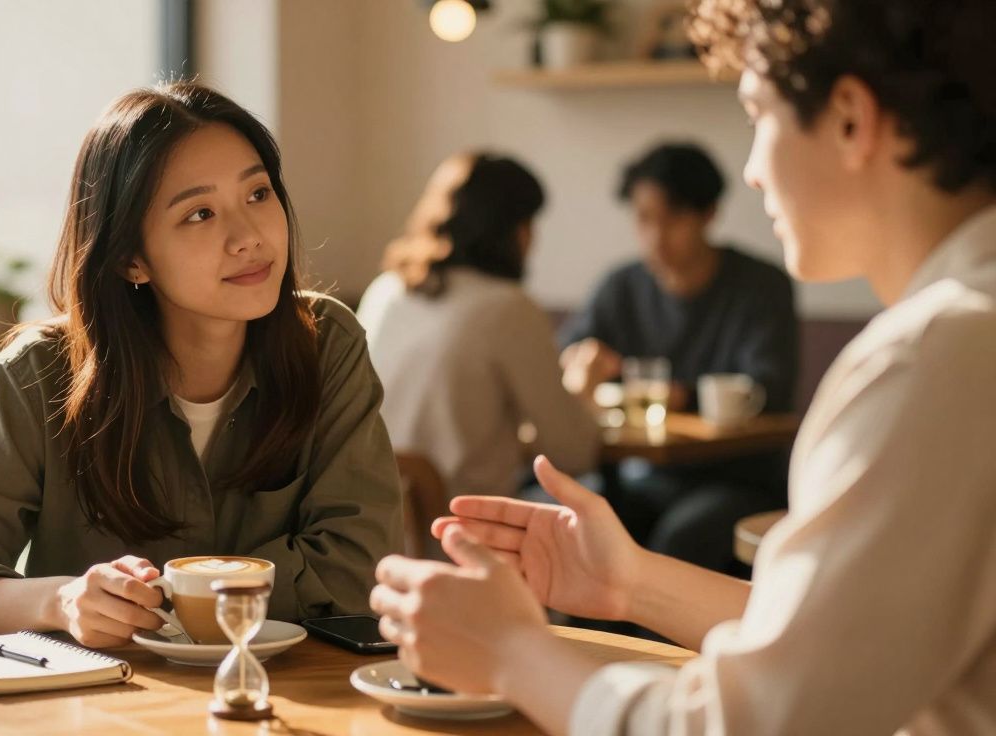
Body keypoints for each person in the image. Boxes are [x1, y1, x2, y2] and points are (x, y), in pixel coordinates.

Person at [370, 0, 996, 732]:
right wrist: (629, 581)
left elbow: (754, 724)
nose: (755, 172)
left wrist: (513, 654)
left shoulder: (935, 357)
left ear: (851, 119)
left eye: (757, 114)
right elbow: (842, 637)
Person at [0, 82, 402, 645]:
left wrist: (169, 597)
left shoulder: (325, 343)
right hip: (94, 710)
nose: (248, 237)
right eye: (200, 214)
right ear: (132, 258)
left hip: (280, 702)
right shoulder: (37, 375)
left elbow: (359, 567)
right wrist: (62, 601)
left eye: (257, 194)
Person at [560, 141, 798, 573]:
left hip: (736, 477)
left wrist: (679, 397)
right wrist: (582, 364)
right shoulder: (621, 287)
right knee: (583, 533)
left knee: (680, 538)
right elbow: (566, 357)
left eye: (673, 219)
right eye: (644, 219)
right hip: (640, 473)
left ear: (708, 214)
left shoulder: (760, 287)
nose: (656, 236)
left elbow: (770, 387)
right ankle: (585, 644)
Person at [357, 153, 600, 502]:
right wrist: (584, 386)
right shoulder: (508, 308)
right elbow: (573, 453)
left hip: (376, 527)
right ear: (518, 231)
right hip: (463, 530)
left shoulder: (388, 290)